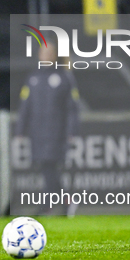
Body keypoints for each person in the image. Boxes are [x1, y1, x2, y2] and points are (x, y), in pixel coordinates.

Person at [14, 41, 80, 215]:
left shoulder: (64, 77)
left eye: (50, 53)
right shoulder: (33, 78)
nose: (46, 56)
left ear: (55, 55)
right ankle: (66, 201)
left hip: (56, 132)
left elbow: (72, 108)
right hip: (37, 133)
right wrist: (20, 130)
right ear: (39, 55)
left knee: (50, 166)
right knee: (45, 167)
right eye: (44, 53)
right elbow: (25, 106)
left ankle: (49, 204)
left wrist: (72, 131)